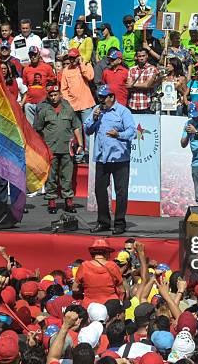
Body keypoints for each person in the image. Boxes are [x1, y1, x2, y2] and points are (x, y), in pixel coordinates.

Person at [83, 85, 135, 235]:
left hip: (120, 158)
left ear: (112, 97)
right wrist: (93, 119)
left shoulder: (123, 112)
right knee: (100, 190)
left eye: (103, 97)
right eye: (99, 97)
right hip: (102, 158)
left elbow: (131, 131)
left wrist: (118, 135)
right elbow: (87, 129)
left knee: (121, 191)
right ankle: (103, 221)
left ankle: (119, 222)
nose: (101, 100)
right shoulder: (97, 110)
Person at [34, 85, 83, 214]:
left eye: (56, 94)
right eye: (51, 95)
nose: (54, 97)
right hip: (50, 148)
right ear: (48, 96)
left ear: (60, 94)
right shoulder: (44, 110)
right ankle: (51, 200)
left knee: (67, 175)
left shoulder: (68, 108)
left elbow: (76, 127)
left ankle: (68, 200)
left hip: (66, 147)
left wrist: (81, 144)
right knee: (51, 175)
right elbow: (37, 129)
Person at [61, 48, 96, 127]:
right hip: (73, 105)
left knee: (87, 129)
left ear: (78, 56)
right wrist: (68, 102)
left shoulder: (87, 65)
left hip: (86, 104)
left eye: (74, 57)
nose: (72, 60)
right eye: (70, 58)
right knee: (76, 130)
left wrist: (81, 64)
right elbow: (64, 89)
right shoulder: (66, 70)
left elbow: (90, 77)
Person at [22, 46, 56, 125]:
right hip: (30, 103)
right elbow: (26, 86)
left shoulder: (47, 67)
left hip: (44, 102)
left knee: (44, 126)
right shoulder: (26, 69)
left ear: (38, 55)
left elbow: (53, 82)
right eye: (31, 55)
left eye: (34, 54)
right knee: (31, 128)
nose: (33, 56)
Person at [126, 48, 159, 114]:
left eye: (143, 56)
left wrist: (133, 84)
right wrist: (142, 85)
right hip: (133, 104)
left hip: (146, 105)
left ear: (147, 56)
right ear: (136, 57)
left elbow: (147, 85)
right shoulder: (132, 69)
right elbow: (128, 86)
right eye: (139, 56)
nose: (141, 58)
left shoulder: (152, 69)